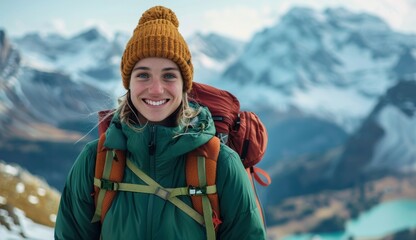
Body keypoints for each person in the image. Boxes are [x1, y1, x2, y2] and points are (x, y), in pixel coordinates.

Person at [54, 5, 266, 240]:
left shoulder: (221, 164)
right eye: (143, 74)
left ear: (185, 85)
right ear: (129, 83)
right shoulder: (95, 160)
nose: (156, 89)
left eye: (169, 75)